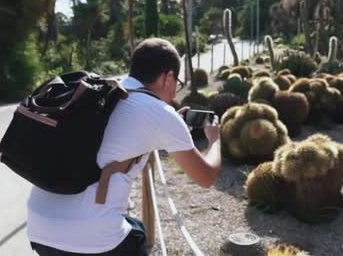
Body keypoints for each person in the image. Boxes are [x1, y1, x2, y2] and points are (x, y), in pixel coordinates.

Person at [26, 38, 222, 255]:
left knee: (135, 227)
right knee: (137, 236)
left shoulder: (103, 92)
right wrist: (215, 140)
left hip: (38, 225)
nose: (176, 91)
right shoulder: (160, 113)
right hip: (90, 238)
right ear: (168, 76)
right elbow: (206, 177)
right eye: (178, 83)